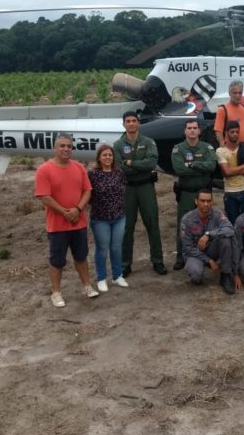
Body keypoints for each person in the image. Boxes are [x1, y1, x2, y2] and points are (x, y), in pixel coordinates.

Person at [34, 133, 98, 308]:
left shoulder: (79, 168)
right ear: (55, 148)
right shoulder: (44, 170)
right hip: (57, 226)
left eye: (69, 146)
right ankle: (56, 293)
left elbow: (87, 191)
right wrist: (64, 212)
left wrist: (78, 209)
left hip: (79, 222)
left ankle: (86, 286)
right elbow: (44, 196)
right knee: (57, 260)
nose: (66, 149)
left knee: (81, 256)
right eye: (62, 146)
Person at [113, 111, 167, 276]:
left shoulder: (148, 142)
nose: (131, 124)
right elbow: (119, 168)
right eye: (128, 121)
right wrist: (137, 165)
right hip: (127, 189)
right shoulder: (118, 145)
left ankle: (157, 261)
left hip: (146, 187)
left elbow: (151, 163)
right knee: (126, 227)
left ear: (138, 123)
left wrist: (130, 163)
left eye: (133, 121)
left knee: (152, 224)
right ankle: (125, 264)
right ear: (123, 124)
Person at [171, 120, 218, 270]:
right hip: (187, 193)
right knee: (183, 225)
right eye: (189, 128)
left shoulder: (207, 147)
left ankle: (206, 254)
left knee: (207, 223)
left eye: (195, 128)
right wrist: (201, 168)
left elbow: (211, 166)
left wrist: (192, 164)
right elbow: (179, 169)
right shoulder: (178, 149)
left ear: (199, 131)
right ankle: (180, 257)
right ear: (185, 131)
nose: (192, 130)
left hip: (204, 193)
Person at [88, 145, 129, 293]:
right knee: (102, 249)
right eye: (104, 155)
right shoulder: (93, 174)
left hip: (119, 217)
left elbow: (123, 189)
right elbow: (87, 193)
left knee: (116, 247)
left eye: (110, 155)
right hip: (100, 218)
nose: (108, 157)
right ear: (99, 158)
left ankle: (117, 276)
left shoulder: (119, 173)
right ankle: (101, 278)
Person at [179, 189, 236, 294]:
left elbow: (230, 229)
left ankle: (226, 276)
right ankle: (202, 268)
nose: (206, 204)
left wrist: (209, 234)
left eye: (208, 201)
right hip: (195, 253)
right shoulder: (187, 219)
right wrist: (209, 261)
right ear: (196, 201)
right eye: (202, 201)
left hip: (211, 249)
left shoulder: (218, 214)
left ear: (212, 202)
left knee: (225, 240)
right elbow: (188, 247)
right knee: (196, 275)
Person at [216, 120, 244, 224]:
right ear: (226, 133)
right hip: (230, 192)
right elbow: (226, 172)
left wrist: (232, 170)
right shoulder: (221, 151)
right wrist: (243, 166)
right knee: (232, 222)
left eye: (237, 132)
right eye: (232, 132)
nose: (235, 134)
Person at [213, 80, 244, 146]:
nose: (237, 95)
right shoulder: (222, 110)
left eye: (240, 93)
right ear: (229, 93)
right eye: (235, 93)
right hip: (230, 147)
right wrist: (222, 145)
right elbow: (218, 131)